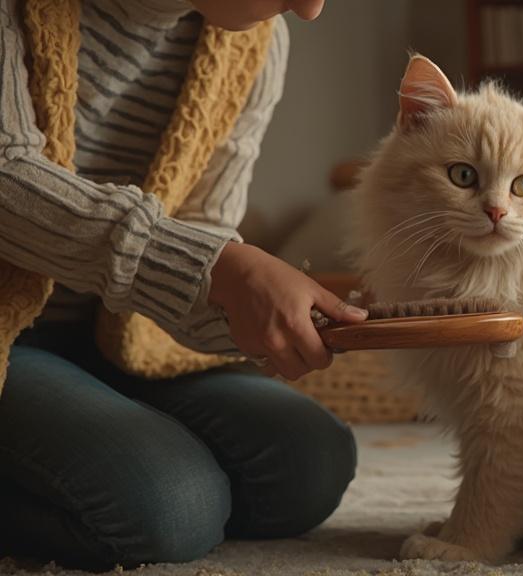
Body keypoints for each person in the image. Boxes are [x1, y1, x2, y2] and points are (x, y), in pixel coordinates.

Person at [0, 0, 365, 569]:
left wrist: (254, 308)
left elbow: (204, 225)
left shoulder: (253, 45)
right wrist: (216, 269)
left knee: (309, 463)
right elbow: (6, 177)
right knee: (174, 506)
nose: (310, 10)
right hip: (11, 335)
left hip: (122, 335)